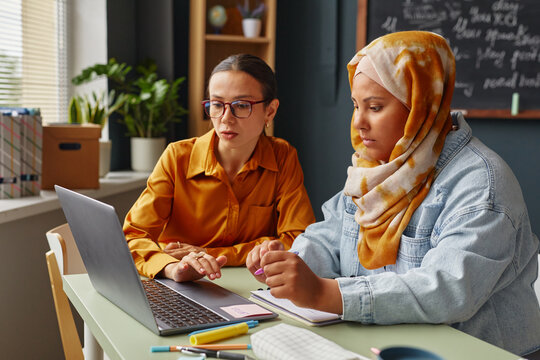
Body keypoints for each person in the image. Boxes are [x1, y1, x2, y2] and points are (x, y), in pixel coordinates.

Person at [246, 31, 540, 357]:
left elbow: (445, 290)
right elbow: (331, 238)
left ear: (420, 106)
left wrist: (329, 294)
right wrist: (288, 264)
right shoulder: (377, 168)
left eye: (375, 107)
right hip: (391, 344)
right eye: (355, 105)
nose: (359, 122)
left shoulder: (483, 185)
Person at [123, 53, 315, 283]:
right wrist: (173, 268)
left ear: (270, 111)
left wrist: (210, 255)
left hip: (252, 287)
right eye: (216, 104)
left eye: (241, 105)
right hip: (177, 285)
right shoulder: (177, 157)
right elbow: (132, 236)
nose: (226, 118)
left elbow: (299, 240)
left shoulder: (283, 157)